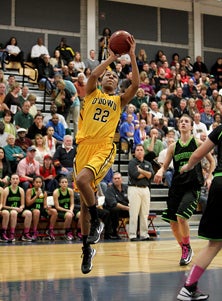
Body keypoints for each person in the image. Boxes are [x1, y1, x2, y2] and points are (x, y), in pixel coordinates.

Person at [74, 34, 139, 274]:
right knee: (82, 204)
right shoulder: (91, 92)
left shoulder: (119, 101)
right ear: (102, 79)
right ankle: (86, 248)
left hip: (103, 148)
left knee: (82, 181)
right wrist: (111, 57)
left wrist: (131, 55)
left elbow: (136, 85)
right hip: (83, 149)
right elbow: (92, 75)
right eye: (108, 74)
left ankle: (98, 217)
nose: (111, 76)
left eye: (115, 75)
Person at [154, 114, 215, 267]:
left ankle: (186, 247)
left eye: (186, 121)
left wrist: (209, 176)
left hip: (192, 185)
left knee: (181, 216)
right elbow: (165, 165)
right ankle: (185, 249)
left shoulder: (198, 142)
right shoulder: (173, 147)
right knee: (173, 222)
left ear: (191, 126)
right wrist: (161, 171)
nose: (183, 123)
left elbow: (212, 161)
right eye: (181, 121)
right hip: (177, 185)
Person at [176, 124, 222, 300]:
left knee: (214, 244)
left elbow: (196, 154)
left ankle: (188, 288)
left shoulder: (220, 129)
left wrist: (188, 166)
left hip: (218, 184)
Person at [128, 144, 154, 241]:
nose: (139, 151)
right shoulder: (132, 163)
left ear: (144, 152)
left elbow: (151, 175)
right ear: (135, 153)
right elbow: (136, 175)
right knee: (134, 213)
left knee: (145, 213)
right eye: (137, 150)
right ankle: (132, 235)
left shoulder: (148, 163)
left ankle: (144, 234)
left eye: (141, 150)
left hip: (146, 189)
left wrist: (141, 170)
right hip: (134, 188)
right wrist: (146, 173)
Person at [2, 174, 32, 242]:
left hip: (18, 209)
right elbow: (3, 205)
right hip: (8, 209)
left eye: (16, 179)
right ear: (10, 181)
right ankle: (12, 234)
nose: (15, 180)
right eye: (13, 179)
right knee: (14, 212)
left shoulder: (21, 190)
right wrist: (15, 208)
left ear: (19, 181)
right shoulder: (6, 190)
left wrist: (21, 208)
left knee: (29, 213)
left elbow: (23, 204)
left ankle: (25, 234)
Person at [26, 175, 58, 241]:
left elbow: (44, 205)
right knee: (37, 211)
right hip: (32, 208)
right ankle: (34, 231)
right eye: (37, 182)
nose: (38, 184)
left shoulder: (44, 192)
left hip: (41, 209)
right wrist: (36, 196)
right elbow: (28, 203)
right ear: (33, 183)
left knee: (54, 211)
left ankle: (49, 230)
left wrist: (48, 207)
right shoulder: (29, 191)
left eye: (40, 182)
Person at [104, 172, 129, 239]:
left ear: (121, 179)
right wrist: (127, 208)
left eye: (118, 178)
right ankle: (113, 232)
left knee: (137, 210)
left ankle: (138, 232)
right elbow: (114, 204)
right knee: (115, 209)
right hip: (115, 210)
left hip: (126, 208)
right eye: (115, 178)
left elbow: (131, 199)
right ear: (112, 180)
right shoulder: (109, 190)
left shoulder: (126, 188)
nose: (117, 180)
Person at [53, 176, 75, 241]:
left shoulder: (70, 191)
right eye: (62, 182)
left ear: (68, 183)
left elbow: (72, 203)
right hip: (60, 210)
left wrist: (71, 210)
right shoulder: (56, 192)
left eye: (66, 182)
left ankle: (79, 232)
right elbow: (57, 207)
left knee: (80, 214)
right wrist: (68, 211)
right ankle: (66, 232)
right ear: (59, 184)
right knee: (69, 215)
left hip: (69, 209)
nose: (64, 184)